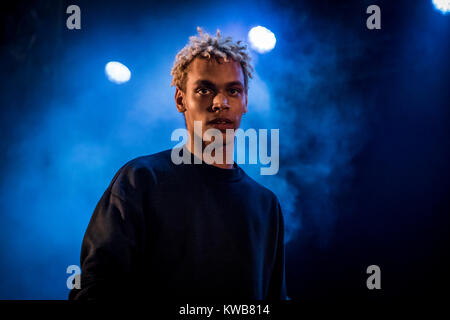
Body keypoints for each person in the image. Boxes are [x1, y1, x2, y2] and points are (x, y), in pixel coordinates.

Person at [69, 28, 287, 301]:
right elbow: (94, 290)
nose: (220, 102)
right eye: (205, 89)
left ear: (245, 102)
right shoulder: (141, 180)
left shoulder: (266, 204)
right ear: (180, 99)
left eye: (233, 90)